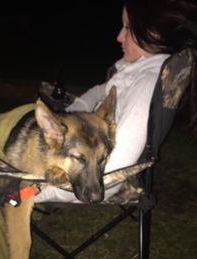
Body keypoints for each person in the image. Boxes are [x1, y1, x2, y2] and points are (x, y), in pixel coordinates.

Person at [35, 0, 197, 204]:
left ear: (153, 33)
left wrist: (37, 192)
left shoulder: (146, 83)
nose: (119, 37)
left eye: (127, 27)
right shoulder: (136, 69)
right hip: (81, 139)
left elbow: (119, 166)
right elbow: (99, 91)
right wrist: (71, 115)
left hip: (89, 179)